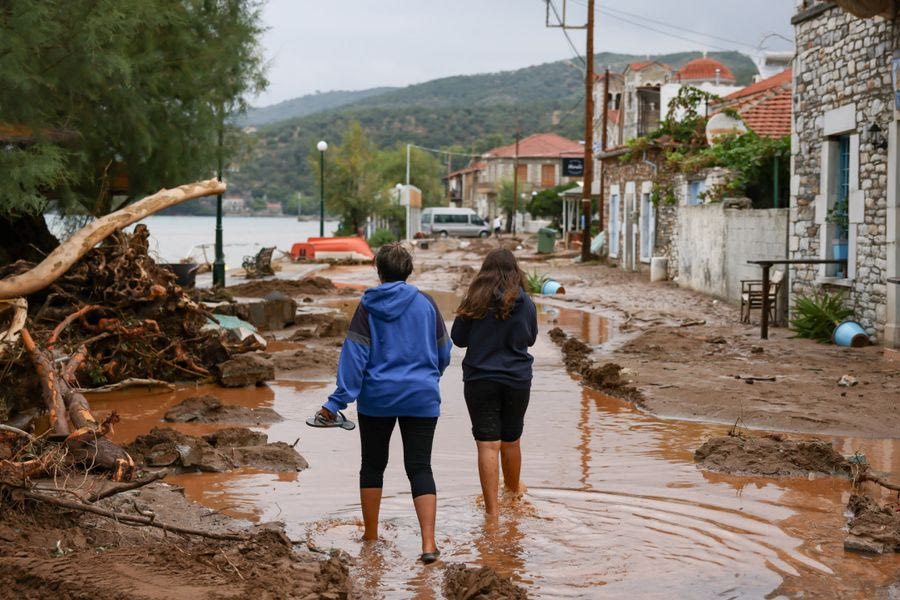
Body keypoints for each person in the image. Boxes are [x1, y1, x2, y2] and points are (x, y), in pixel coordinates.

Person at [316, 243, 452, 564]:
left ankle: (371, 536)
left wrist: (336, 402)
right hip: (422, 397)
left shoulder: (367, 307)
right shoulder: (427, 304)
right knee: (420, 467)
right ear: (408, 270)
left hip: (376, 399)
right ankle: (428, 544)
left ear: (379, 271)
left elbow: (354, 358)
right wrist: (429, 378)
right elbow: (444, 352)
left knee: (373, 466)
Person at [450, 248, 537, 517]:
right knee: (512, 441)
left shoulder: (474, 301)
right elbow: (531, 339)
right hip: (516, 380)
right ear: (515, 272)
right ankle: (513, 496)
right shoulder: (526, 302)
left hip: (480, 379)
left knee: (488, 444)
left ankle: (493, 512)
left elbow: (458, 338)